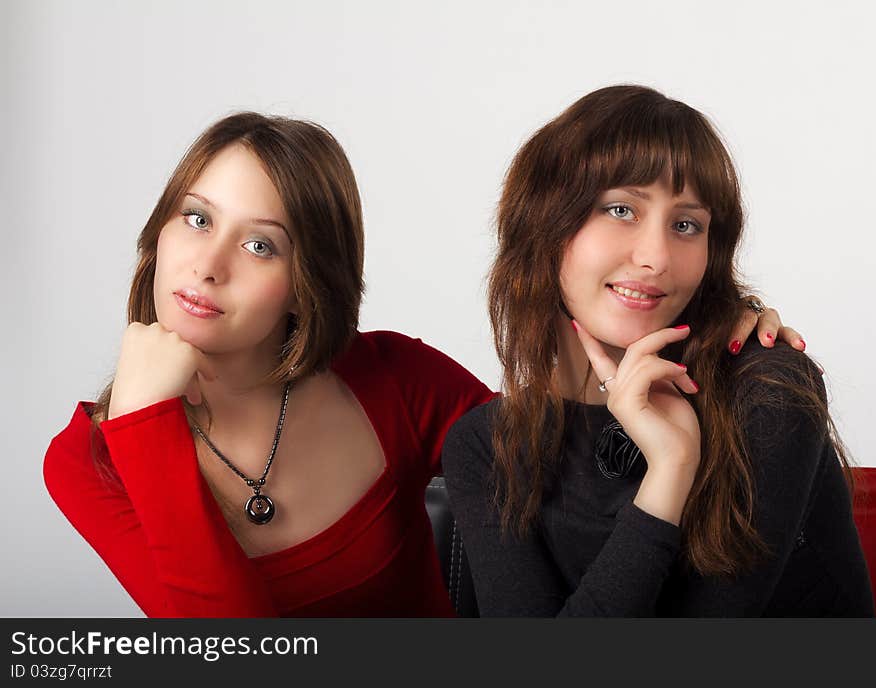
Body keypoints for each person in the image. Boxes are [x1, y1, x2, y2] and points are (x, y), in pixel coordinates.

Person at [44, 110, 803, 618]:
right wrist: (144, 426)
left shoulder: (393, 381)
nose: (207, 265)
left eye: (260, 243)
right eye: (197, 218)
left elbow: (558, 448)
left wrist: (701, 323)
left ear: (310, 281)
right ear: (158, 233)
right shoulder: (85, 462)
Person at [441, 85, 874, 617]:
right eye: (621, 209)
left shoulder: (767, 392)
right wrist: (668, 472)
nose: (656, 258)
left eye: (686, 224)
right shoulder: (487, 445)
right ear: (543, 222)